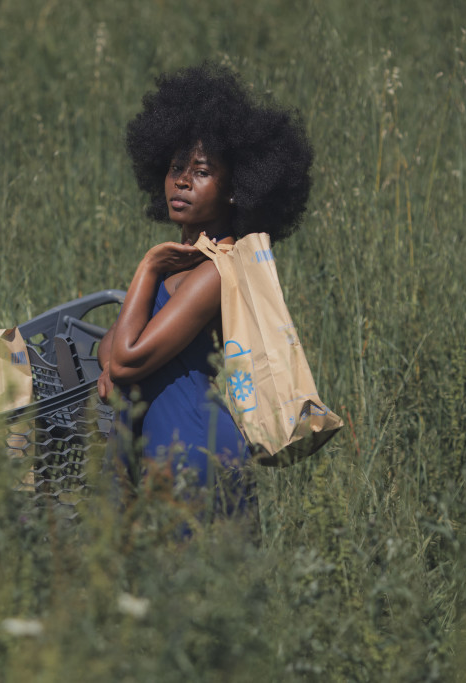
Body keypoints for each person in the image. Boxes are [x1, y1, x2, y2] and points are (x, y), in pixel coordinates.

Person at [96, 62, 313, 515]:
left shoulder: (217, 272)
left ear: (235, 190)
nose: (181, 181)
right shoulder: (185, 263)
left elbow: (125, 358)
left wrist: (149, 266)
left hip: (194, 452)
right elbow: (111, 351)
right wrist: (119, 359)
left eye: (201, 171)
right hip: (157, 450)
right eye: (176, 168)